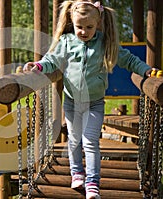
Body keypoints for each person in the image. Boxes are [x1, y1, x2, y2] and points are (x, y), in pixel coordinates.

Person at [23, 1, 153, 199]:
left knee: (90, 141)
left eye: (89, 27)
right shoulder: (67, 41)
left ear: (98, 22)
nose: (83, 31)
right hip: (72, 102)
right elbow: (52, 60)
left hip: (95, 103)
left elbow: (129, 60)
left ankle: (93, 182)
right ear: (72, 23)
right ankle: (77, 173)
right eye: (79, 27)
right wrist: (39, 67)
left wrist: (147, 71)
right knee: (74, 140)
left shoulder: (104, 43)